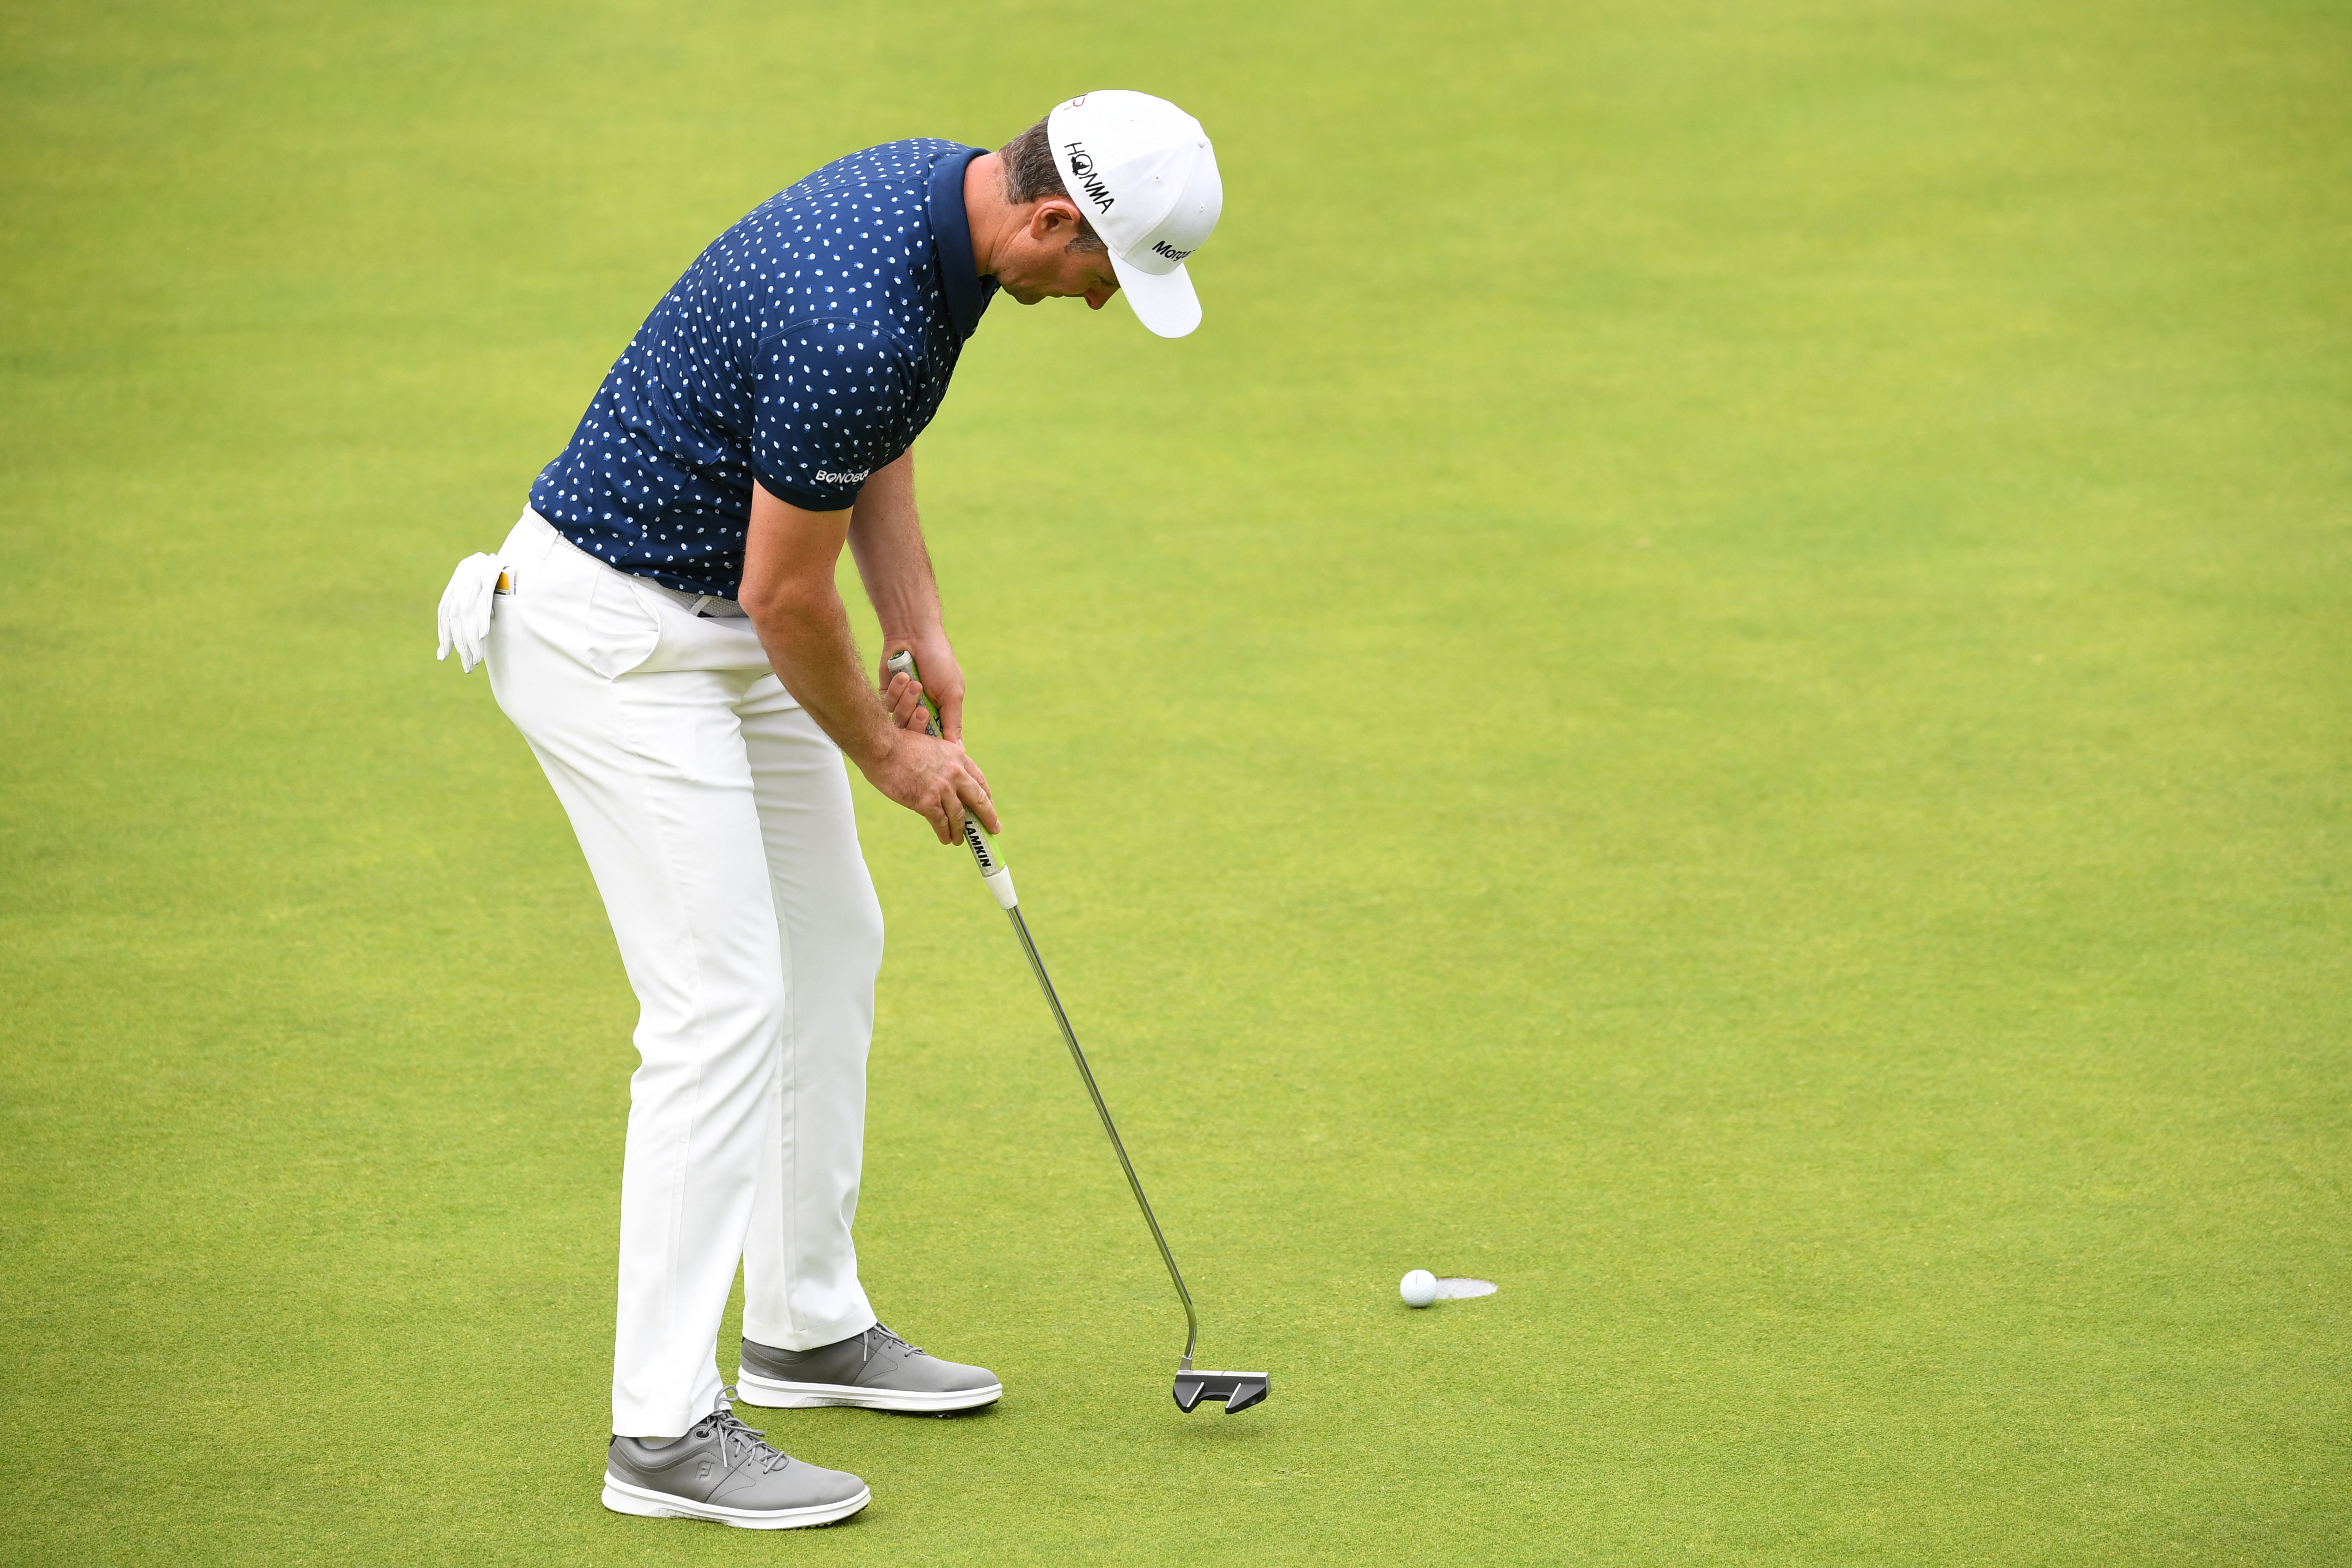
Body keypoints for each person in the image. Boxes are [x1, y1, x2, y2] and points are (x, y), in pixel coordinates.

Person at [431, 91, 1223, 1530]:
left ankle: (802, 1324)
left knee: (831, 942)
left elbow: (870, 442)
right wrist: (892, 755)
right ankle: (659, 1434)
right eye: (1108, 267)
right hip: (612, 640)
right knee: (717, 1009)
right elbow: (785, 594)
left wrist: (918, 632)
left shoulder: (937, 205)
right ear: (1051, 220)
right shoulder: (865, 303)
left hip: (718, 621)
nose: (1103, 297)